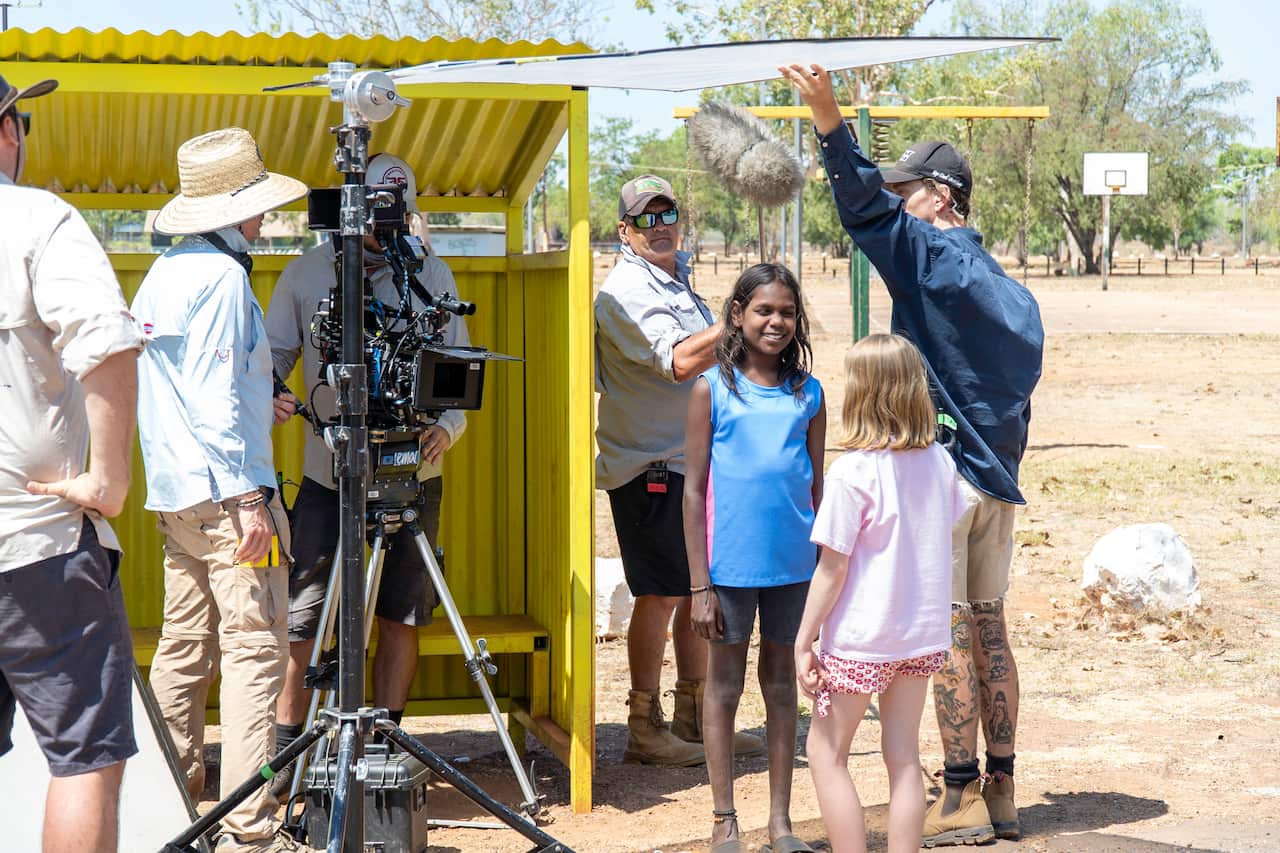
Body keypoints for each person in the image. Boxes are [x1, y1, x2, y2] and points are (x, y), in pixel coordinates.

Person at [782, 63, 1045, 845]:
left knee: (957, 630)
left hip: (946, 480)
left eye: (908, 193)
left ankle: (959, 791)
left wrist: (830, 120)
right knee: (991, 627)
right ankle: (1003, 785)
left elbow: (862, 207)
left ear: (938, 197)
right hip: (999, 480)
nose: (898, 203)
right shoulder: (1009, 288)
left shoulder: (930, 260)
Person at [131, 127, 307, 853]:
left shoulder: (165, 273)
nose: (262, 221)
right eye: (257, 208)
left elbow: (181, 386)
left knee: (182, 648)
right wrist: (246, 499)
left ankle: (173, 813)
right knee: (254, 650)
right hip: (229, 500)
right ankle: (248, 829)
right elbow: (210, 393)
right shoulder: (225, 278)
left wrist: (254, 394)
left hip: (176, 493)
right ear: (239, 210)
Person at [266, 153, 470, 776]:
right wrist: (273, 392)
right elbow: (271, 357)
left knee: (401, 614)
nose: (384, 226)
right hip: (330, 478)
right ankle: (285, 756)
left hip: (412, 474)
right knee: (306, 617)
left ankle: (381, 753)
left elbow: (458, 371)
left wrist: (447, 426)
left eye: (395, 211)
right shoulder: (307, 273)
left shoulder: (432, 273)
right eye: (374, 212)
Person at [0, 73, 145, 853]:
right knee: (85, 759)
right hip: (37, 546)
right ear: (9, 133)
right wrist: (108, 482)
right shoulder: (35, 218)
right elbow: (108, 339)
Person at [595, 174, 761, 766]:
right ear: (624, 230)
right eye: (645, 218)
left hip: (688, 460)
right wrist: (739, 319)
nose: (660, 226)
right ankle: (645, 727)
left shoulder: (671, 280)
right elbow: (679, 361)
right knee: (661, 594)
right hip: (650, 464)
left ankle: (693, 718)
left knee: (698, 590)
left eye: (667, 215)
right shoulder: (626, 290)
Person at [795, 334, 968, 853]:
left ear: (861, 393)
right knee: (905, 758)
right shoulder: (940, 462)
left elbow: (832, 568)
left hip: (861, 640)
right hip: (920, 638)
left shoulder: (851, 472)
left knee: (826, 754)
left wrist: (804, 640)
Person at [683, 263, 826, 853]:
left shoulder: (809, 392)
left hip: (795, 568)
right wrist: (699, 585)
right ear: (737, 315)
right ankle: (724, 818)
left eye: (788, 312)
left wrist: (826, 572)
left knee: (782, 687)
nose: (777, 322)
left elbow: (819, 487)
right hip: (728, 570)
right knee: (722, 687)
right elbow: (693, 492)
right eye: (764, 310)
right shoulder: (711, 389)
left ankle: (780, 821)